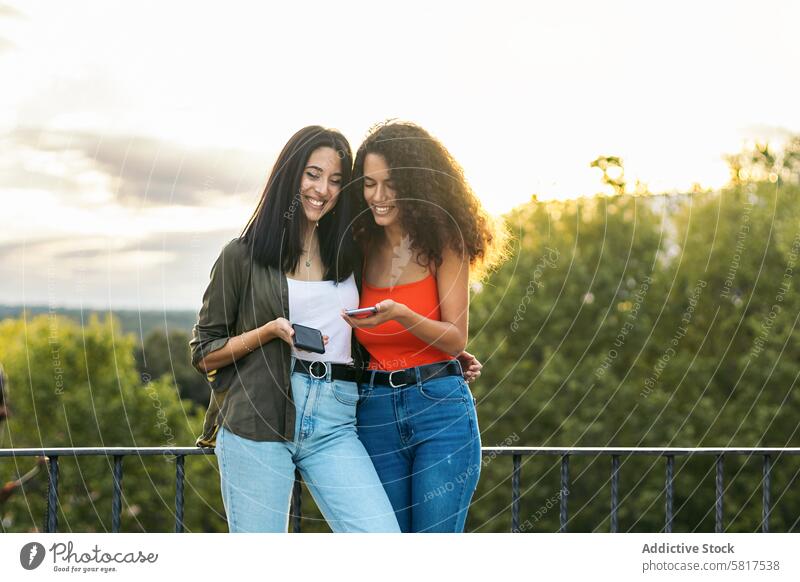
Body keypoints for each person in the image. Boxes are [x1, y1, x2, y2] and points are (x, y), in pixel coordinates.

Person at [190, 126, 400, 533]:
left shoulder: (350, 254)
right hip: (259, 418)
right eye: (313, 174)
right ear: (290, 175)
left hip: (335, 419)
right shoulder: (241, 256)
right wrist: (267, 331)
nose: (323, 189)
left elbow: (373, 325)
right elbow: (203, 352)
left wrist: (432, 353)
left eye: (336, 181)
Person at [343, 121, 507, 532]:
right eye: (369, 184)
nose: (378, 197)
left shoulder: (444, 242)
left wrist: (402, 315)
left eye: (391, 184)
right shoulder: (361, 246)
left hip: (440, 412)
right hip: (374, 411)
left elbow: (455, 338)